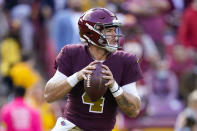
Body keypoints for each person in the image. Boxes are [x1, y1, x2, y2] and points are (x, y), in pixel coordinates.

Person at [44, 7, 143, 131]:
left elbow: (134, 110)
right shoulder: (72, 53)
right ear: (91, 33)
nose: (115, 35)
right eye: (109, 30)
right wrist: (77, 77)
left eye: (115, 30)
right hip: (73, 126)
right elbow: (49, 95)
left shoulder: (126, 60)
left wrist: (114, 86)